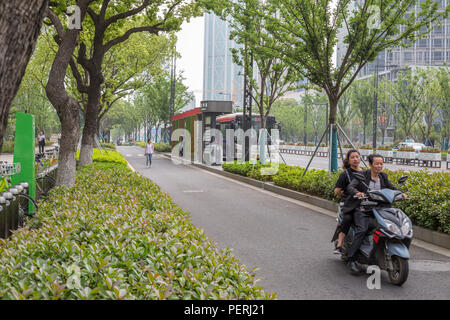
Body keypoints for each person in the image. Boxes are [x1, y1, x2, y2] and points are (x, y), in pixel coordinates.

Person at [345, 154, 408, 275]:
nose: (379, 166)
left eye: (381, 164)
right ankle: (351, 259)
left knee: (391, 227)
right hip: (364, 209)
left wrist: (400, 193)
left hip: (381, 209)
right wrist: (358, 193)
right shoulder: (363, 175)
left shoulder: (383, 176)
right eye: (377, 164)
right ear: (370, 164)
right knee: (362, 230)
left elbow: (391, 188)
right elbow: (351, 187)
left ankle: (382, 251)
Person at [333, 149, 363, 254]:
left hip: (365, 204)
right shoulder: (345, 174)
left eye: (357, 157)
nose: (355, 159)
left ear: (360, 158)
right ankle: (340, 244)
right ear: (349, 160)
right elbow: (337, 191)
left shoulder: (365, 172)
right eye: (352, 157)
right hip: (351, 204)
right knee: (347, 219)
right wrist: (346, 197)